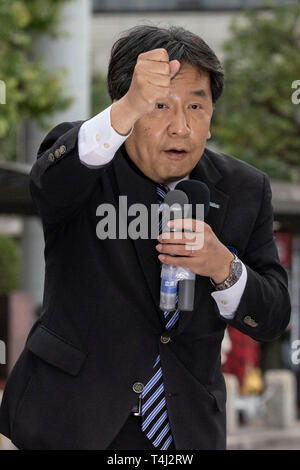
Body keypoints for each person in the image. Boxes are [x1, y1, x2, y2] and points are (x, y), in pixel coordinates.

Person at [0, 25, 290, 450]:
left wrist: (223, 268)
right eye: (159, 106)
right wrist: (126, 108)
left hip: (183, 431)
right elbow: (48, 183)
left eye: (196, 106)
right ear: (127, 109)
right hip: (71, 422)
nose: (181, 127)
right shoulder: (86, 162)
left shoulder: (245, 188)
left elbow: (273, 315)